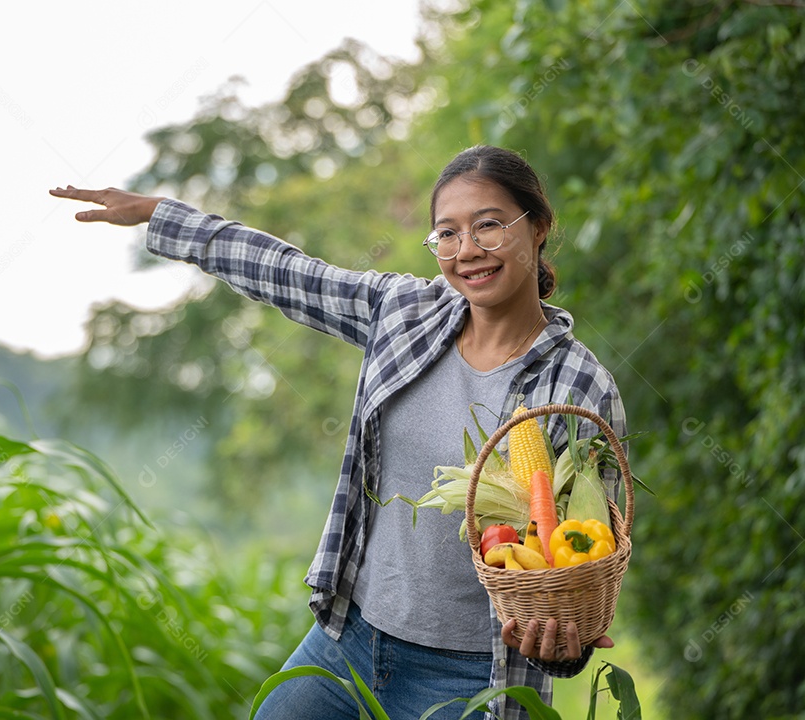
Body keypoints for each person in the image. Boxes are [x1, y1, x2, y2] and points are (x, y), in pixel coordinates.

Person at [50, 145, 624, 720]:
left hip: (472, 675)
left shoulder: (579, 386)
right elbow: (288, 272)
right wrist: (160, 214)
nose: (466, 251)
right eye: (446, 234)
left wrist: (562, 647)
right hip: (349, 641)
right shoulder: (405, 311)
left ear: (539, 226)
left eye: (489, 226)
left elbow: (587, 560)